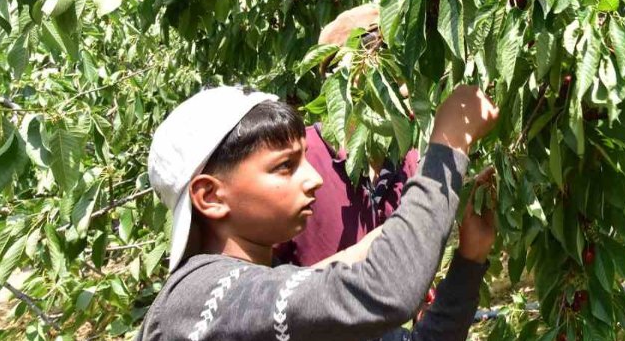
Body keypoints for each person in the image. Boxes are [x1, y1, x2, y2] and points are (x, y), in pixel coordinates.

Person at [136, 83, 499, 340]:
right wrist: (450, 141)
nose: (313, 179)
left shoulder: (275, 304)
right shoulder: (200, 301)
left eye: (305, 159)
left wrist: (470, 258)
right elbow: (387, 291)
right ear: (211, 197)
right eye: (284, 166)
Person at [273, 3, 422, 269]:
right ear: (349, 76)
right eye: (388, 77)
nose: (405, 91)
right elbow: (261, 287)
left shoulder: (407, 158)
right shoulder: (297, 161)